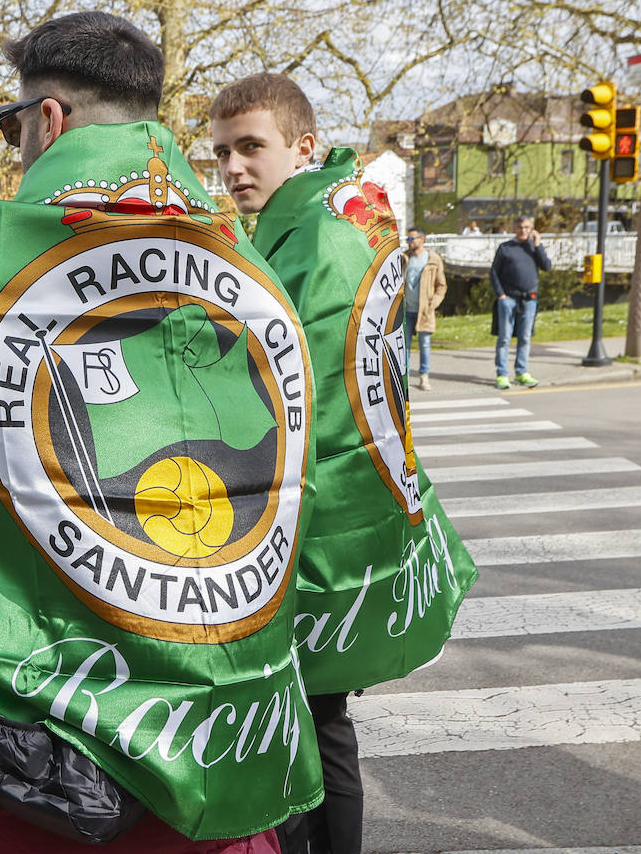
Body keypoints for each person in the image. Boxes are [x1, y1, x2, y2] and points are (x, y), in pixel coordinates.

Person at [0, 15, 322, 853]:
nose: (16, 146)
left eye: (12, 126)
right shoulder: (247, 265)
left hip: (29, 757)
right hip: (218, 738)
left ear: (48, 121)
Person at [211, 73, 478, 854]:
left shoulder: (317, 237)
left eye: (251, 147)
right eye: (223, 152)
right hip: (328, 515)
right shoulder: (327, 219)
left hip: (311, 524)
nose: (233, 168)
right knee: (316, 718)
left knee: (315, 722)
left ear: (306, 147)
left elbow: (273, 380)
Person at [491, 215, 553, 389]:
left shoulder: (534, 248)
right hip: (508, 299)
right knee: (504, 338)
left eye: (527, 227)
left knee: (525, 337)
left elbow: (547, 266)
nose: (523, 230)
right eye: (520, 227)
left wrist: (538, 244)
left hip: (529, 299)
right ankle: (502, 374)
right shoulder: (505, 248)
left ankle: (522, 372)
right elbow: (494, 272)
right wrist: (501, 295)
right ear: (514, 229)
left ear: (532, 229)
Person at [403, 227, 447, 391]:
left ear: (423, 239)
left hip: (424, 310)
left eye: (412, 238)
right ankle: (404, 378)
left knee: (425, 344)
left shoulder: (433, 260)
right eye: (408, 239)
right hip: (406, 309)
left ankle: (424, 376)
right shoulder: (404, 258)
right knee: (404, 346)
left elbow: (441, 286)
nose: (410, 242)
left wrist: (433, 304)